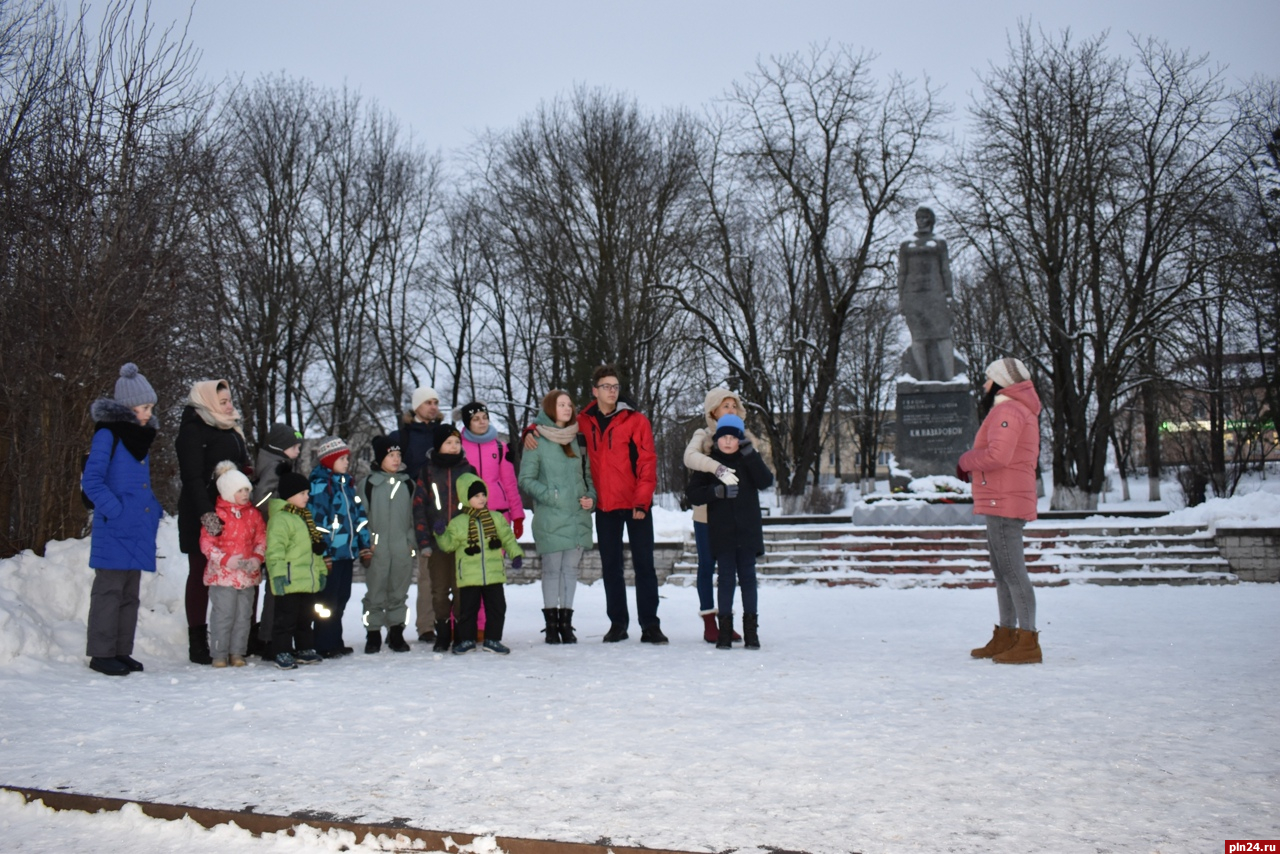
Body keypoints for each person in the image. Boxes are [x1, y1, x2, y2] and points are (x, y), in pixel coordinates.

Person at [525, 365, 664, 644]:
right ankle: (618, 624)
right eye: (606, 386)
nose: (612, 391)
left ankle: (650, 625)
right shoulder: (584, 421)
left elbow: (647, 464)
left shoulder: (636, 420)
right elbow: (554, 421)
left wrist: (641, 501)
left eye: (615, 386)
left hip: (635, 504)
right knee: (610, 567)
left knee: (644, 565)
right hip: (604, 507)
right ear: (595, 390)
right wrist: (529, 430)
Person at [958, 358, 1043, 665]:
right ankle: (1008, 635)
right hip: (1001, 499)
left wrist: (966, 461)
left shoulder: (1008, 410)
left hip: (1004, 501)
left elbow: (998, 455)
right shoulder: (1015, 409)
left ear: (1001, 382)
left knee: (1013, 572)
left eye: (988, 379)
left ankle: (1028, 640)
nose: (984, 385)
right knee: (1003, 572)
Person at [81, 363, 163, 676]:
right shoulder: (108, 435)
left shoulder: (140, 440)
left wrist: (152, 509)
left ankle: (120, 651)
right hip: (114, 528)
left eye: (150, 406)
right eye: (145, 407)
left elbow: (140, 483)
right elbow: (92, 481)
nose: (148, 413)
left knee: (129, 594)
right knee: (108, 592)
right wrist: (115, 511)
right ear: (127, 407)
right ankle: (101, 654)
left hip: (136, 528)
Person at [176, 379, 251, 665]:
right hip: (202, 511)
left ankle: (238, 639)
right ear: (207, 403)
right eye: (223, 401)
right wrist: (207, 514)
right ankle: (198, 642)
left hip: (234, 514)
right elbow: (192, 477)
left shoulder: (231, 427)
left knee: (238, 574)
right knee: (200, 573)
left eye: (230, 399)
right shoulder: (192, 432)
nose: (229, 405)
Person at [684, 414, 774, 649]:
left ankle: (751, 632)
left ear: (740, 440)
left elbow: (766, 481)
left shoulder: (748, 460)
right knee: (725, 580)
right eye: (722, 436)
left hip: (747, 533)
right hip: (722, 534)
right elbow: (692, 493)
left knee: (748, 580)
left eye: (732, 437)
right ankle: (724, 631)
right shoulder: (711, 463)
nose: (727, 441)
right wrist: (716, 492)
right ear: (716, 439)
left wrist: (751, 456)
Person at [517, 390, 596, 644]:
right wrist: (550, 496)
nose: (567, 408)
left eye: (569, 404)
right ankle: (551, 626)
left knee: (571, 571)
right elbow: (525, 479)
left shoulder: (577, 439)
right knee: (552, 571)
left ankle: (566, 623)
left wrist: (591, 497)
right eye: (561, 404)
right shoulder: (536, 440)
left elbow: (588, 477)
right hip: (551, 517)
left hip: (577, 516)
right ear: (551, 408)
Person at [683, 388, 753, 644]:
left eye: (734, 405)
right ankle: (708, 622)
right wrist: (718, 468)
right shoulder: (702, 435)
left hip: (735, 517)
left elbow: (755, 465)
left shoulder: (743, 436)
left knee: (729, 570)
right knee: (706, 567)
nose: (731, 410)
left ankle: (726, 619)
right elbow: (689, 457)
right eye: (725, 406)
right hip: (706, 516)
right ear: (713, 410)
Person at [436, 473, 523, 655]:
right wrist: (441, 534)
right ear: (466, 498)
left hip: (493, 573)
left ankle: (492, 639)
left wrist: (515, 554)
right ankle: (467, 639)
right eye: (476, 496)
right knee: (468, 610)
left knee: (497, 607)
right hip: (469, 575)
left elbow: (507, 538)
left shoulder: (496, 518)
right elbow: (448, 545)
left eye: (483, 495)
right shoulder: (459, 523)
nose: (481, 499)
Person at [391, 386, 448, 643]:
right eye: (428, 402)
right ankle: (416, 625)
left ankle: (439, 623)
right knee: (411, 569)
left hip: (440, 509)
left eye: (436, 402)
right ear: (416, 407)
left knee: (435, 569)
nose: (433, 406)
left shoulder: (443, 434)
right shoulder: (402, 437)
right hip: (410, 508)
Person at [412, 426, 475, 651]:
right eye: (448, 443)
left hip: (461, 544)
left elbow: (477, 505)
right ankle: (442, 631)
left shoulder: (468, 470)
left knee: (460, 590)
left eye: (457, 443)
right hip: (436, 543)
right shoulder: (427, 471)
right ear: (439, 445)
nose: (453, 447)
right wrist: (424, 542)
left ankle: (459, 632)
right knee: (438, 591)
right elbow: (419, 507)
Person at [308, 436, 372, 658]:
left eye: (347, 458)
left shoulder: (347, 485)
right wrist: (323, 551)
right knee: (327, 600)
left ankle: (335, 639)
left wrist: (364, 545)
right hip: (331, 555)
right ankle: (323, 642)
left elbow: (359, 517)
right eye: (342, 459)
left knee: (342, 597)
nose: (346, 462)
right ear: (329, 460)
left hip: (347, 552)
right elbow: (317, 522)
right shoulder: (319, 486)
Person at [199, 461, 267, 667]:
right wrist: (225, 559)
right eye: (240, 490)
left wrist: (257, 557)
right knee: (224, 615)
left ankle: (237, 652)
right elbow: (206, 543)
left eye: (247, 489)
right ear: (228, 492)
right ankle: (219, 653)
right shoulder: (216, 515)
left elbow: (261, 538)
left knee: (243, 617)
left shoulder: (253, 515)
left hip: (246, 576)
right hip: (223, 576)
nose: (246, 494)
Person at [265, 471, 328, 670]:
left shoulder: (305, 517)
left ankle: (304, 648)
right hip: (290, 579)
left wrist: (320, 571)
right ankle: (282, 650)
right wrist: (278, 575)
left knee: (305, 618)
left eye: (307, 493)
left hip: (306, 580)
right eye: (302, 493)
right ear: (289, 495)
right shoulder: (281, 519)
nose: (306, 497)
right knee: (285, 618)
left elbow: (314, 552)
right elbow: (275, 551)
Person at [249, 423, 302, 657]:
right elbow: (261, 499)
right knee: (276, 588)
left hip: (274, 531)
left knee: (277, 587)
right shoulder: (276, 467)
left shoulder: (278, 465)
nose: (298, 451)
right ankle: (270, 638)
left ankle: (269, 635)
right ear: (281, 447)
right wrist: (283, 509)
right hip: (274, 533)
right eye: (294, 446)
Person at [360, 436, 417, 654]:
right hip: (377, 549)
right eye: (391, 455)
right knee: (374, 592)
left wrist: (409, 541)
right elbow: (360, 518)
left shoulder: (408, 484)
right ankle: (372, 632)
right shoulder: (368, 485)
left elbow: (415, 516)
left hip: (401, 548)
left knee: (399, 592)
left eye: (398, 455)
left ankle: (396, 632)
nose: (396, 459)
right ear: (380, 458)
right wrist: (368, 542)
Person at [897, 206, 957, 382]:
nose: (921, 221)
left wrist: (949, 295)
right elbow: (902, 272)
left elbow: (945, 269)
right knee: (918, 337)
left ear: (930, 220)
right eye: (918, 217)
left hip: (935, 294)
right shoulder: (906, 244)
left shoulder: (939, 242)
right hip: (913, 295)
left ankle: (949, 378)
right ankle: (923, 378)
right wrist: (901, 298)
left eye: (924, 217)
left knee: (942, 335)